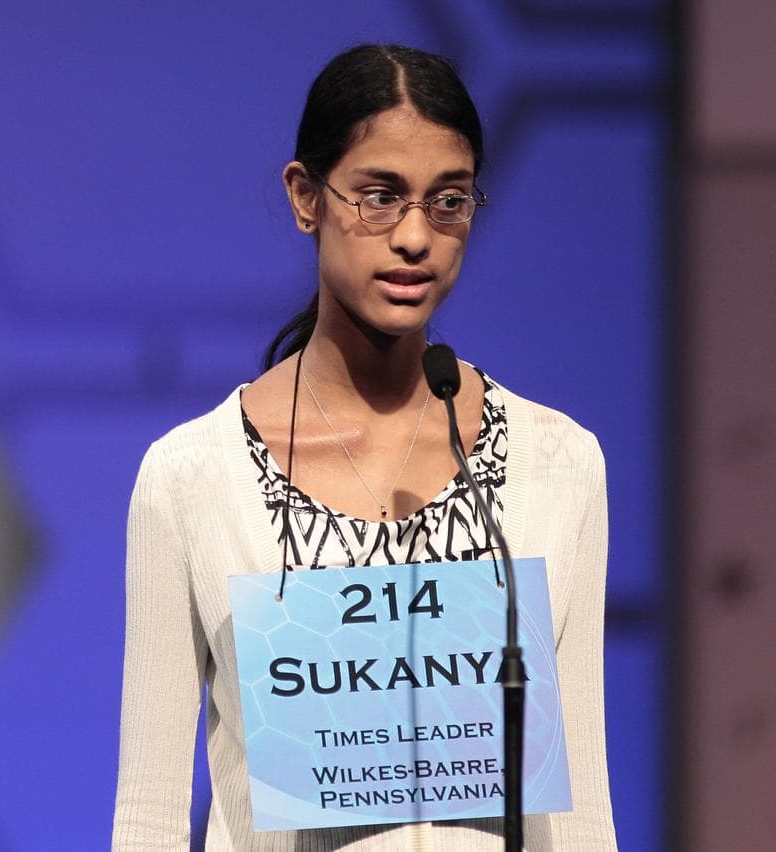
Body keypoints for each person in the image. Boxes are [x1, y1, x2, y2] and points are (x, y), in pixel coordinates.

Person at [112, 44, 617, 851]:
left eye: (447, 202)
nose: (415, 237)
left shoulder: (557, 467)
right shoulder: (191, 480)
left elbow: (583, 812)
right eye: (380, 197)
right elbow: (148, 820)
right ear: (305, 197)